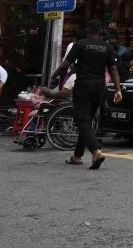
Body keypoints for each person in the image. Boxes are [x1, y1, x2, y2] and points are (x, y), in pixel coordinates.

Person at [50, 19, 123, 170]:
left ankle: (96, 151)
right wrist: (118, 90)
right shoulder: (107, 47)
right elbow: (114, 69)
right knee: (86, 121)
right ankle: (77, 157)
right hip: (99, 86)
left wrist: (54, 76)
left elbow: (65, 65)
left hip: (83, 85)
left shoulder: (80, 44)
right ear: (101, 32)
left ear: (87, 30)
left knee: (81, 119)